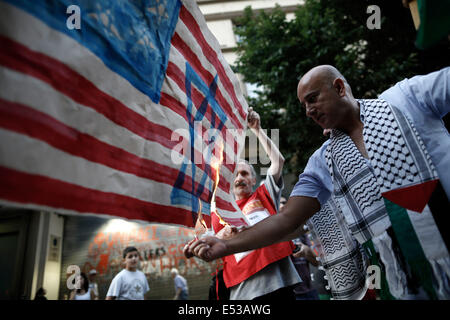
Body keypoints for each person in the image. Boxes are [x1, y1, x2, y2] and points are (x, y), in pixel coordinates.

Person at [185, 66, 450, 300]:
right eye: (304, 105)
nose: (309, 111)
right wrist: (226, 245)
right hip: (402, 281)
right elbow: (287, 220)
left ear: (338, 87)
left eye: (313, 99)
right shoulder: (323, 161)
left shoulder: (407, 99)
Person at [188, 108, 301, 300]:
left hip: (279, 282)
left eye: (245, 174)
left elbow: (278, 161)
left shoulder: (265, 194)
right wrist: (218, 238)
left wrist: (257, 129)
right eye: (235, 174)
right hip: (244, 291)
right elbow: (209, 247)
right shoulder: (217, 213)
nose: (239, 178)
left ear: (253, 180)